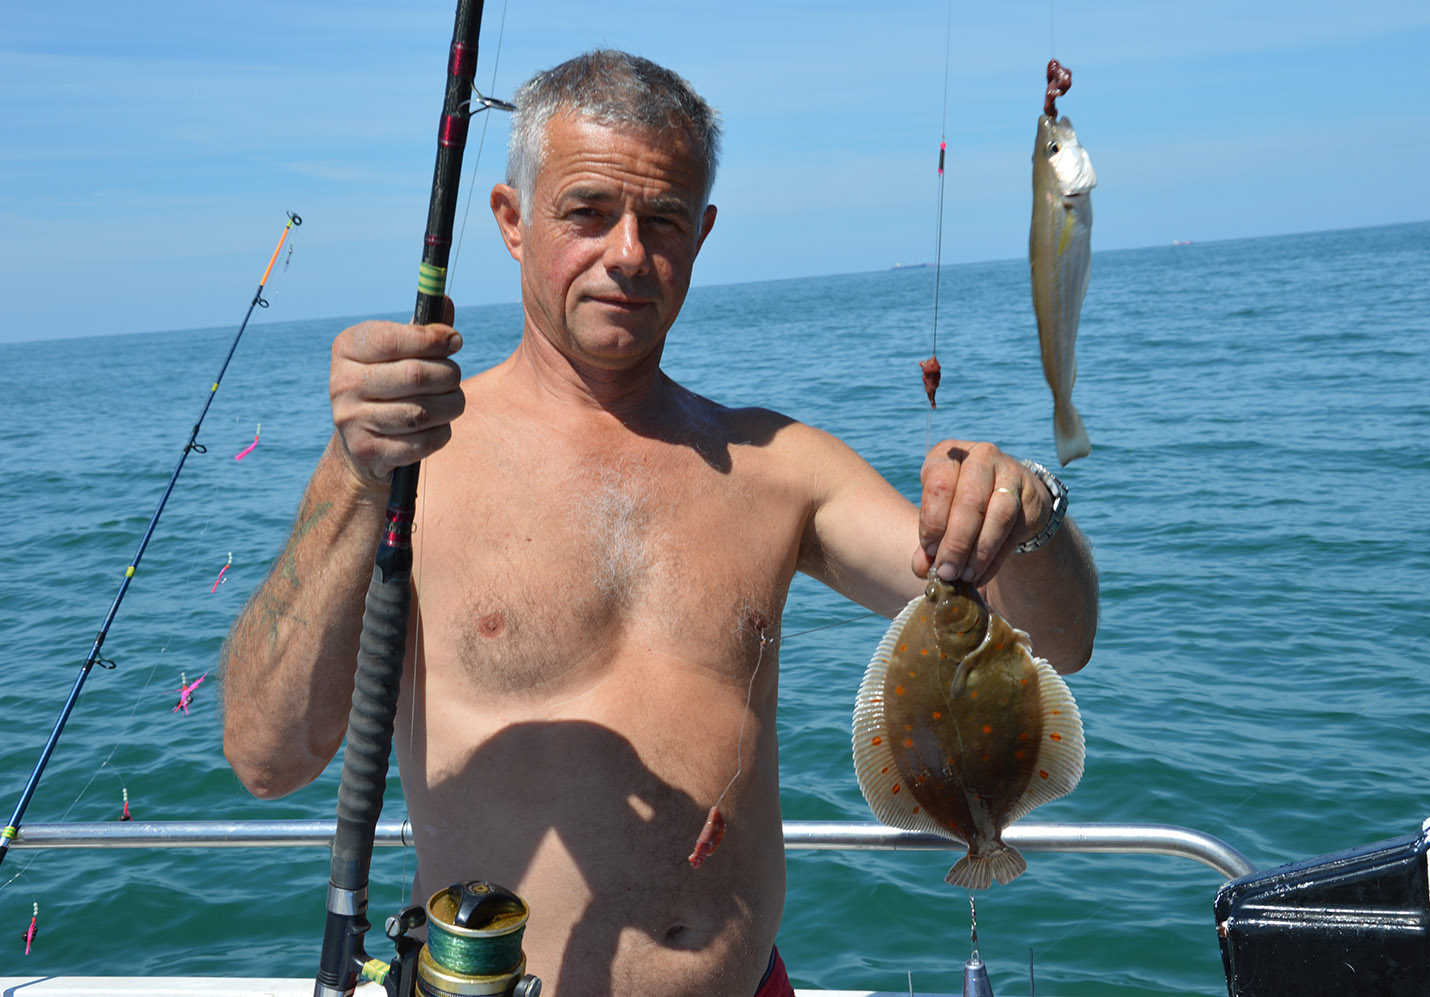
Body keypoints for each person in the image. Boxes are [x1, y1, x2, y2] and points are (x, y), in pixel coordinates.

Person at [220, 49, 1097, 997]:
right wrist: (353, 475)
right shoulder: (411, 467)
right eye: (588, 212)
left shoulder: (780, 465)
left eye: (664, 218)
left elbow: (1058, 638)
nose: (629, 252)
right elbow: (268, 757)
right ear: (512, 221)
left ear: (703, 233)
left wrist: (1029, 511)